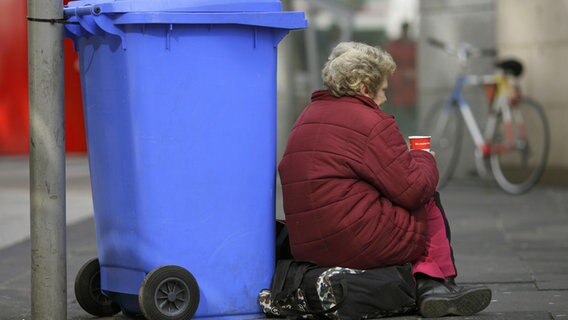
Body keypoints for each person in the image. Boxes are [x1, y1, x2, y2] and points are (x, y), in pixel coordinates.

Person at [277, 41, 491, 318]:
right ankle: (436, 284)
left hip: (308, 246)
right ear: (365, 88)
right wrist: (424, 157)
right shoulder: (370, 121)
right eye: (383, 90)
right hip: (356, 241)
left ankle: (424, 284)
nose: (385, 98)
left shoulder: (306, 117)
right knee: (427, 198)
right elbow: (414, 189)